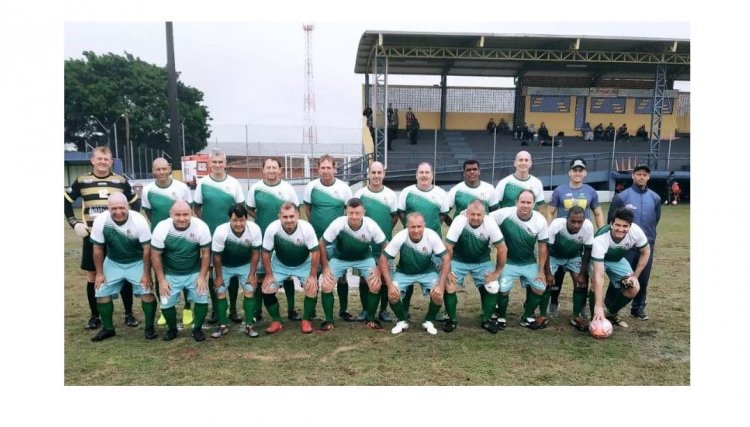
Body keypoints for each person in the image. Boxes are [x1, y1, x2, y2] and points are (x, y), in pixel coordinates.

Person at [64, 146, 140, 331]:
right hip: (92, 237)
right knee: (92, 276)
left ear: (111, 161)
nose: (103, 162)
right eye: (99, 159)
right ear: (92, 160)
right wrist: (74, 223)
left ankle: (129, 314)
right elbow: (65, 201)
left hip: (117, 237)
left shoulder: (120, 180)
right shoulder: (82, 180)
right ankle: (95, 315)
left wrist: (130, 223)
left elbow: (134, 201)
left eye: (106, 159)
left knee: (123, 273)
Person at [88, 193, 154, 341]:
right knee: (101, 291)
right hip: (113, 261)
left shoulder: (138, 220)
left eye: (121, 208)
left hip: (137, 261)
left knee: (147, 292)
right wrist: (99, 273)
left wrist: (146, 274)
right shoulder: (101, 220)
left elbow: (147, 249)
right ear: (108, 208)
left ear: (128, 206)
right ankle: (108, 329)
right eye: (114, 208)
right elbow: (97, 249)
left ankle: (150, 328)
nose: (118, 212)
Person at [546, 158, 605, 317]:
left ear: (585, 173)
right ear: (569, 172)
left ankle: (582, 305)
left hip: (580, 239)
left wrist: (602, 232)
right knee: (556, 274)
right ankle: (553, 303)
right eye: (575, 170)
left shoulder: (590, 191)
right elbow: (550, 211)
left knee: (581, 274)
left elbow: (597, 212)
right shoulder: (559, 190)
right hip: (561, 238)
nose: (577, 173)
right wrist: (548, 230)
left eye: (581, 170)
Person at [193, 148, 245, 325]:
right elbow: (197, 208)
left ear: (225, 163)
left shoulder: (234, 183)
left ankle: (233, 308)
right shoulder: (203, 183)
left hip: (230, 236)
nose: (217, 165)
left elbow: (240, 210)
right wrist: (206, 225)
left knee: (231, 271)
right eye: (214, 162)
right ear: (209, 164)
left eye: (220, 162)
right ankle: (216, 308)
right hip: (209, 236)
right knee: (212, 272)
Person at [141, 157, 195, 329]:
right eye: (158, 169)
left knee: (186, 270)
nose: (162, 172)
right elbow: (149, 213)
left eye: (164, 169)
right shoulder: (147, 190)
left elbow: (189, 210)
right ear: (153, 170)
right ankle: (165, 309)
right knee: (160, 273)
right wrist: (161, 229)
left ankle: (187, 308)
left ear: (170, 168)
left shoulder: (181, 187)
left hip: (183, 236)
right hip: (160, 238)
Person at [247, 158, 302, 322]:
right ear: (262, 170)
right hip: (263, 238)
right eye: (268, 167)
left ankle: (292, 309)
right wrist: (262, 220)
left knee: (287, 275)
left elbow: (296, 211)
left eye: (274, 167)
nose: (271, 170)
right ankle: (258, 310)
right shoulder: (256, 188)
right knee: (260, 276)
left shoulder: (288, 189)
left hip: (285, 238)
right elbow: (249, 208)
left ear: (280, 170)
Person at [319, 198, 387, 331]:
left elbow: (385, 245)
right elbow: (322, 243)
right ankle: (328, 321)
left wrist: (379, 268)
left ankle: (371, 319)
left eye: (357, 213)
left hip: (364, 258)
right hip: (340, 258)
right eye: (351, 213)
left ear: (363, 212)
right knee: (326, 285)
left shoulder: (371, 225)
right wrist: (326, 267)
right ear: (346, 212)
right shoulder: (338, 223)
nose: (354, 216)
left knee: (375, 285)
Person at [380, 212, 451, 335]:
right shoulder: (401, 236)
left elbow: (446, 258)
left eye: (419, 226)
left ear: (424, 226)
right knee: (392, 295)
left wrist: (440, 285)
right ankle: (402, 321)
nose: (416, 230)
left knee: (438, 294)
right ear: (407, 226)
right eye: (413, 227)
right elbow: (383, 259)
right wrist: (390, 285)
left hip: (427, 272)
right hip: (404, 272)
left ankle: (428, 321)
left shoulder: (432, 235)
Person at [151, 200, 212, 341]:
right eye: (177, 215)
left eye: (186, 214)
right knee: (166, 304)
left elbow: (206, 253)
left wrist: (202, 277)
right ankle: (172, 330)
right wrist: (161, 280)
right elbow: (155, 255)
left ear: (191, 213)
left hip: (194, 272)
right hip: (170, 273)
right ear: (171, 214)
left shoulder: (201, 227)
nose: (182, 218)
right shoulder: (162, 227)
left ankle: (197, 329)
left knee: (202, 300)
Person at [488, 189, 549, 330]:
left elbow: (542, 247)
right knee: (503, 289)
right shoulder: (504, 214)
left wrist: (541, 271)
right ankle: (501, 316)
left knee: (540, 287)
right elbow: (484, 219)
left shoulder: (540, 220)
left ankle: (526, 316)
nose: (525, 205)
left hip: (529, 262)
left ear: (534, 204)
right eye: (522, 202)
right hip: (508, 262)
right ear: (516, 202)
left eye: (529, 202)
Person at [303, 155, 354, 322]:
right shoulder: (311, 186)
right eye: (322, 168)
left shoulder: (344, 188)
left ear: (335, 168)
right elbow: (308, 209)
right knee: (316, 273)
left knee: (341, 276)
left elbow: (349, 212)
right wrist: (316, 228)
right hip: (317, 240)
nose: (326, 171)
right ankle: (311, 311)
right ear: (318, 169)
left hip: (338, 241)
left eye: (328, 167)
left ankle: (343, 309)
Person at [444, 199, 507, 333]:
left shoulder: (490, 222)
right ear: (467, 213)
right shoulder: (459, 221)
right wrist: (448, 270)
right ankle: (452, 320)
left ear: (484, 214)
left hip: (482, 262)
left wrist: (496, 272)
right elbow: (448, 247)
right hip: (458, 260)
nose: (475, 217)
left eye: (479, 215)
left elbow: (502, 248)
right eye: (472, 214)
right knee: (448, 285)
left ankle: (486, 319)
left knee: (493, 287)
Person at [608, 164, 661, 321]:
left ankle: (638, 308)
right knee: (621, 277)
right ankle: (611, 307)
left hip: (647, 244)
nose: (641, 177)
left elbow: (656, 219)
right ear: (633, 176)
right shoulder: (622, 197)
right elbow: (611, 220)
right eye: (638, 174)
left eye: (645, 174)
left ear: (648, 177)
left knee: (643, 278)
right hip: (626, 245)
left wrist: (647, 237)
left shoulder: (655, 198)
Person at [260, 202, 321, 334]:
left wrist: (312, 275)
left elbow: (315, 252)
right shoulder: (272, 228)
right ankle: (277, 321)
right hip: (280, 264)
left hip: (303, 263)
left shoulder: (306, 228)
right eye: (285, 217)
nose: (289, 220)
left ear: (298, 215)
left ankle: (305, 320)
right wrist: (269, 275)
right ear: (279, 217)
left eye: (292, 216)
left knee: (312, 288)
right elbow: (265, 252)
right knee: (266, 289)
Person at [589, 207, 651, 329]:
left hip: (617, 260)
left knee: (634, 287)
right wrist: (599, 306)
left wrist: (635, 276)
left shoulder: (636, 232)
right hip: (598, 259)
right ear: (611, 224)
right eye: (617, 225)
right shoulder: (600, 239)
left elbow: (646, 251)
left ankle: (611, 314)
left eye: (625, 226)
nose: (621, 229)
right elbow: (599, 275)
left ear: (630, 226)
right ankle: (595, 318)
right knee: (595, 283)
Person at [210, 204, 262, 339]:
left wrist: (251, 274)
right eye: (235, 220)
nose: (239, 224)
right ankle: (223, 325)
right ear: (229, 219)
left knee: (250, 289)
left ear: (246, 218)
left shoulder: (254, 229)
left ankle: (249, 325)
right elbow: (216, 256)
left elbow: (256, 253)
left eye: (242, 220)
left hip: (245, 264)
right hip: (225, 265)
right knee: (220, 291)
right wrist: (219, 276)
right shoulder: (221, 231)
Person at [354, 161, 397, 323]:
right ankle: (365, 309)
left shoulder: (391, 195)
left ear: (384, 174)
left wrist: (382, 234)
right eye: (373, 173)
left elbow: (394, 217)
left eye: (379, 173)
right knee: (365, 278)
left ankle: (383, 310)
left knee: (386, 278)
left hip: (385, 245)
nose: (376, 176)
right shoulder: (360, 194)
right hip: (363, 245)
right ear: (368, 174)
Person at [543, 206, 594, 331]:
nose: (576, 225)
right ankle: (543, 315)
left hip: (573, 257)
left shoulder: (588, 227)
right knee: (545, 283)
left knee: (580, 284)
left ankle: (576, 316)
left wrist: (582, 274)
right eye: (573, 221)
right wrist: (548, 273)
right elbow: (546, 249)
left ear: (583, 220)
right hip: (554, 256)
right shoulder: (556, 225)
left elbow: (587, 251)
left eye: (579, 222)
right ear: (567, 219)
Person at [399, 162, 450, 237]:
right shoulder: (406, 191)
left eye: (427, 172)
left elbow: (443, 214)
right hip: (411, 238)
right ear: (416, 175)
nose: (424, 175)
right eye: (421, 172)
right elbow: (401, 213)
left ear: (432, 175)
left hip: (434, 238)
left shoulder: (441, 193)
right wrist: (409, 225)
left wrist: (434, 225)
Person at [495, 150, 546, 217]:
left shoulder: (537, 183)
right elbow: (495, 208)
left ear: (530, 163)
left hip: (529, 226)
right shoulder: (504, 183)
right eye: (520, 160)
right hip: (507, 225)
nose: (523, 163)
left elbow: (542, 209)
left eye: (526, 160)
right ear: (515, 163)